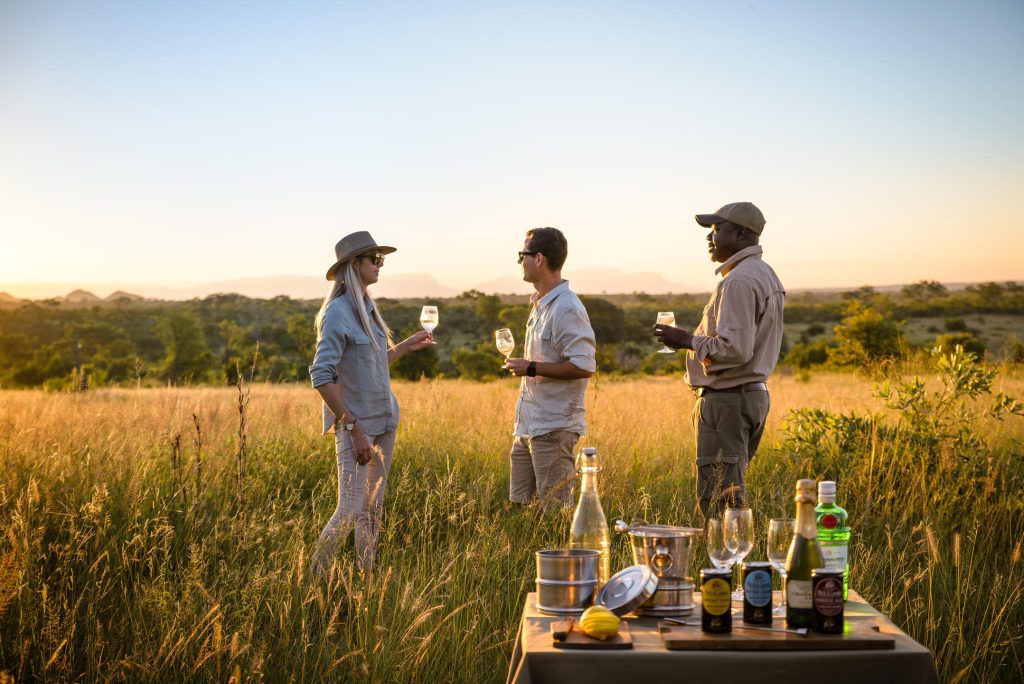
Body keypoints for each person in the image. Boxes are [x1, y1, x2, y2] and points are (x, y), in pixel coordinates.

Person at [308, 230, 434, 576]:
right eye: (374, 259)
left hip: (385, 421)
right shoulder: (337, 312)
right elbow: (321, 375)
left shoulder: (368, 306)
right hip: (357, 427)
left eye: (382, 259)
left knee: (372, 510)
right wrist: (352, 427)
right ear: (354, 264)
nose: (380, 264)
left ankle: (367, 578)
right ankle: (314, 581)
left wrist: (405, 347)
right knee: (348, 510)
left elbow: (371, 364)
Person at [652, 202, 785, 518]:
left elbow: (735, 349)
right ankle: (734, 560)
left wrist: (685, 340)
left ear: (740, 233)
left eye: (716, 230)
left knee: (719, 500)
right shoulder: (764, 274)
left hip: (727, 401)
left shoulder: (738, 281)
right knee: (731, 493)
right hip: (747, 397)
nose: (710, 238)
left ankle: (724, 563)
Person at [504, 227, 597, 509]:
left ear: (540, 259)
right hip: (528, 425)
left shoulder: (566, 307)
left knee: (555, 511)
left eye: (523, 255)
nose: (521, 261)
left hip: (554, 427)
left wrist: (531, 367)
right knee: (521, 508)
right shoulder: (539, 304)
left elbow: (583, 366)